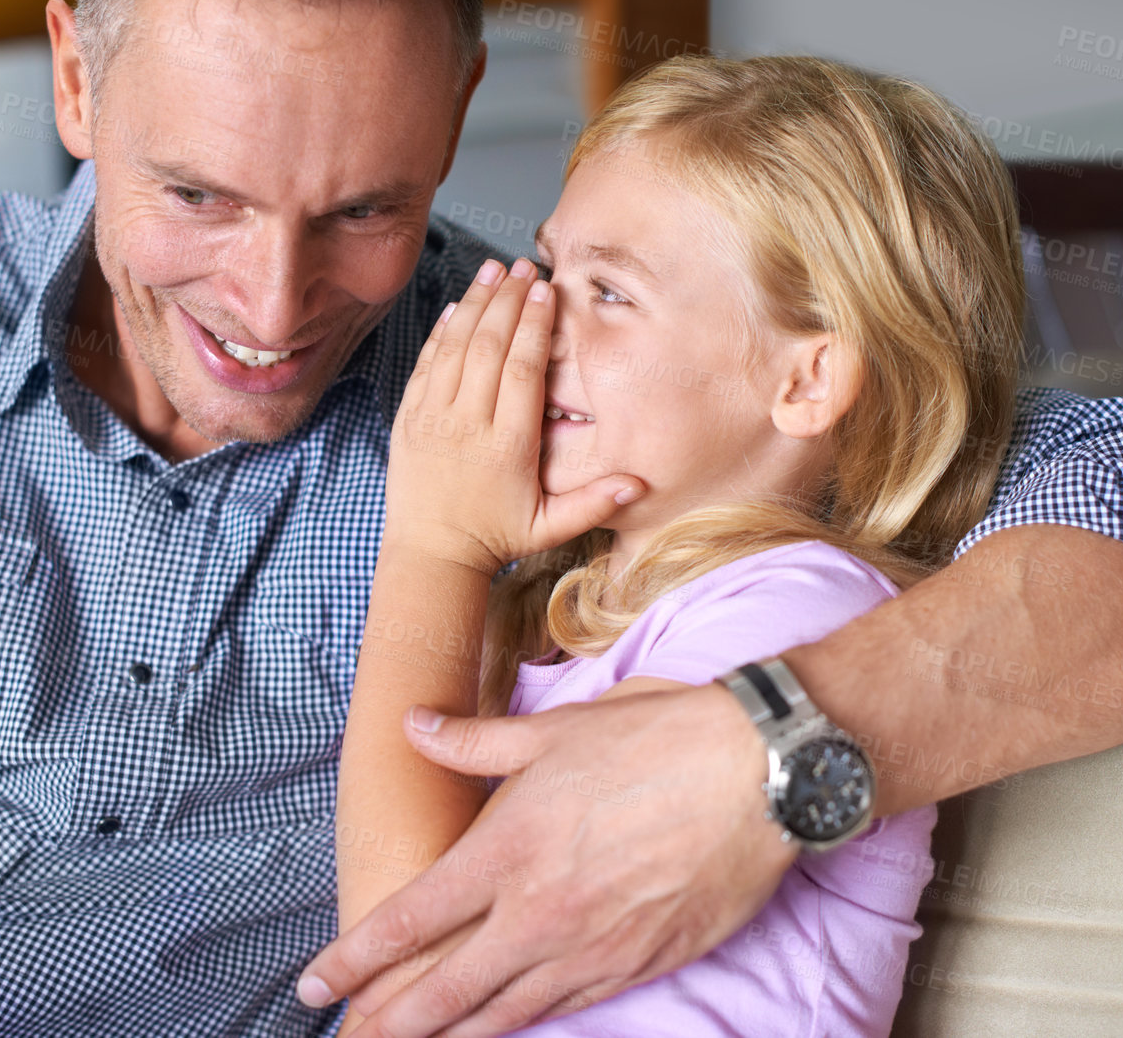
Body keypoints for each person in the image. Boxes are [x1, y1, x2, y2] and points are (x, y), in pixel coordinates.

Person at [0, 0, 1123, 1036]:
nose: (273, 305)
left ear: (453, 119)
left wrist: (787, 740)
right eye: (199, 197)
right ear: (77, 82)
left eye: (363, 209)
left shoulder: (561, 394)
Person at [334, 53, 1028, 1036]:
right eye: (551, 266)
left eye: (610, 292)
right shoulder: (576, 606)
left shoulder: (800, 612)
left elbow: (413, 978)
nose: (535, 322)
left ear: (806, 381)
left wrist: (433, 549)